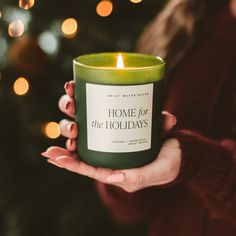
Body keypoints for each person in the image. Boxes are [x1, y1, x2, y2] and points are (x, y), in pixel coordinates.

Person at [42, 0, 236, 235]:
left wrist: (199, 163)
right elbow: (133, 212)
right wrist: (120, 165)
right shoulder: (183, 23)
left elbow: (194, 163)